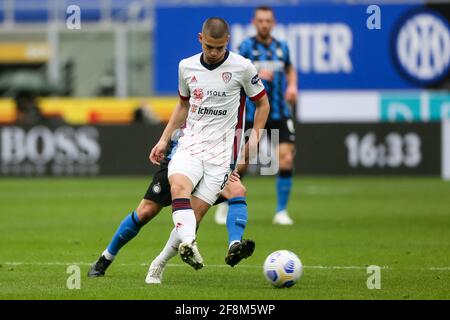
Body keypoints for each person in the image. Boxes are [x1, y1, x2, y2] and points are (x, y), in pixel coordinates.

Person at [149, 17, 270, 272]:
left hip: (223, 153)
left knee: (195, 216)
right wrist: (163, 139)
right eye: (209, 47)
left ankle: (158, 263)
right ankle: (189, 244)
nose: (214, 53)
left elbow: (263, 103)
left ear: (227, 41)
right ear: (200, 39)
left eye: (219, 48)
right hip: (190, 145)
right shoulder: (186, 66)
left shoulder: (243, 67)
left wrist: (255, 136)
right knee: (178, 186)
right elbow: (182, 105)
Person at [87, 130, 256, 281]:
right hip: (181, 159)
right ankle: (105, 258)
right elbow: (180, 110)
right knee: (145, 212)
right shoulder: (194, 97)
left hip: (213, 163)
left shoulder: (235, 99)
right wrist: (164, 140)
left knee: (236, 191)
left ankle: (233, 245)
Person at [215, 6, 298, 226]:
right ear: (254, 22)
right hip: (253, 112)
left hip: (279, 111)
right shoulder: (246, 47)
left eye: (268, 21)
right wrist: (255, 75)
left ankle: (281, 211)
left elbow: (290, 69)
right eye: (260, 20)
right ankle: (225, 201)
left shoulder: (283, 48)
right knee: (244, 161)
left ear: (273, 23)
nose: (264, 24)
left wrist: (292, 86)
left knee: (287, 157)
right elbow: (232, 73)